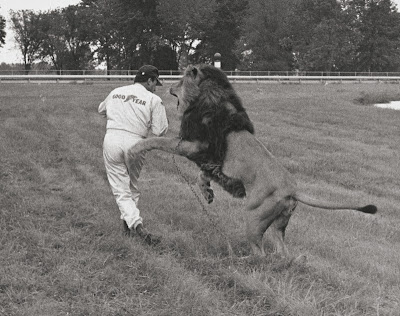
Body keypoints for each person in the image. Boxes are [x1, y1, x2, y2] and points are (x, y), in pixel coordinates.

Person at [98, 65, 168, 245]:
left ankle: (130, 226)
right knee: (132, 187)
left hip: (112, 140)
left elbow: (101, 109)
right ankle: (136, 227)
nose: (155, 87)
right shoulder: (154, 99)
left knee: (121, 190)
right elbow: (160, 131)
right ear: (150, 80)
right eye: (155, 83)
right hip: (136, 143)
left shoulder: (116, 92)